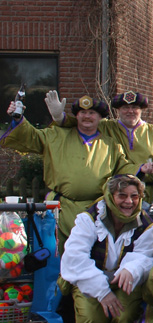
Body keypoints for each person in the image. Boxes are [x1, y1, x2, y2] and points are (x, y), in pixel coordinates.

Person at [2, 96, 145, 253]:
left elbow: (122, 169)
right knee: (58, 254)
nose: (87, 116)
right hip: (61, 209)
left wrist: (141, 169)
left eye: (92, 113)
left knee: (92, 253)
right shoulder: (56, 135)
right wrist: (18, 118)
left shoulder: (111, 145)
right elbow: (32, 137)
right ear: (76, 116)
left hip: (96, 211)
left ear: (100, 118)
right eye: (82, 113)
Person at [60, 175, 153, 323]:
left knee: (124, 315)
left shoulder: (145, 224)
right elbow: (75, 257)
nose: (129, 202)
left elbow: (145, 255)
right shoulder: (89, 219)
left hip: (124, 280)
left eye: (134, 196)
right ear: (110, 196)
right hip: (89, 279)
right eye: (122, 196)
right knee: (92, 316)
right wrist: (102, 292)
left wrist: (130, 269)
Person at [46, 90, 153, 203]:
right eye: (125, 107)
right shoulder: (106, 127)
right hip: (118, 195)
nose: (130, 111)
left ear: (141, 110)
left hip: (150, 194)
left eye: (135, 107)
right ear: (118, 110)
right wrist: (59, 117)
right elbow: (82, 123)